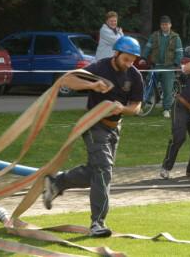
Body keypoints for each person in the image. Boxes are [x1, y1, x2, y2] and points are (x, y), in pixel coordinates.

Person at [42, 36, 143, 237]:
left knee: (96, 172)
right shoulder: (99, 68)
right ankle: (98, 223)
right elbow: (67, 80)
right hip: (93, 124)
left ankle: (57, 183)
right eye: (126, 59)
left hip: (114, 127)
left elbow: (136, 107)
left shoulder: (134, 75)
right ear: (116, 53)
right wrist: (93, 85)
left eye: (132, 60)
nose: (129, 63)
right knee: (104, 169)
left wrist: (122, 108)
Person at [142, 15, 183, 118]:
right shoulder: (154, 36)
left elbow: (179, 52)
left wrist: (176, 63)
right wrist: (143, 57)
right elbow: (148, 47)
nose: (164, 26)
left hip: (168, 67)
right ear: (160, 26)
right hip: (156, 65)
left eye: (166, 24)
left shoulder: (176, 37)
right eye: (163, 24)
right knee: (148, 83)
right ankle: (142, 104)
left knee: (167, 88)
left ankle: (166, 109)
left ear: (170, 25)